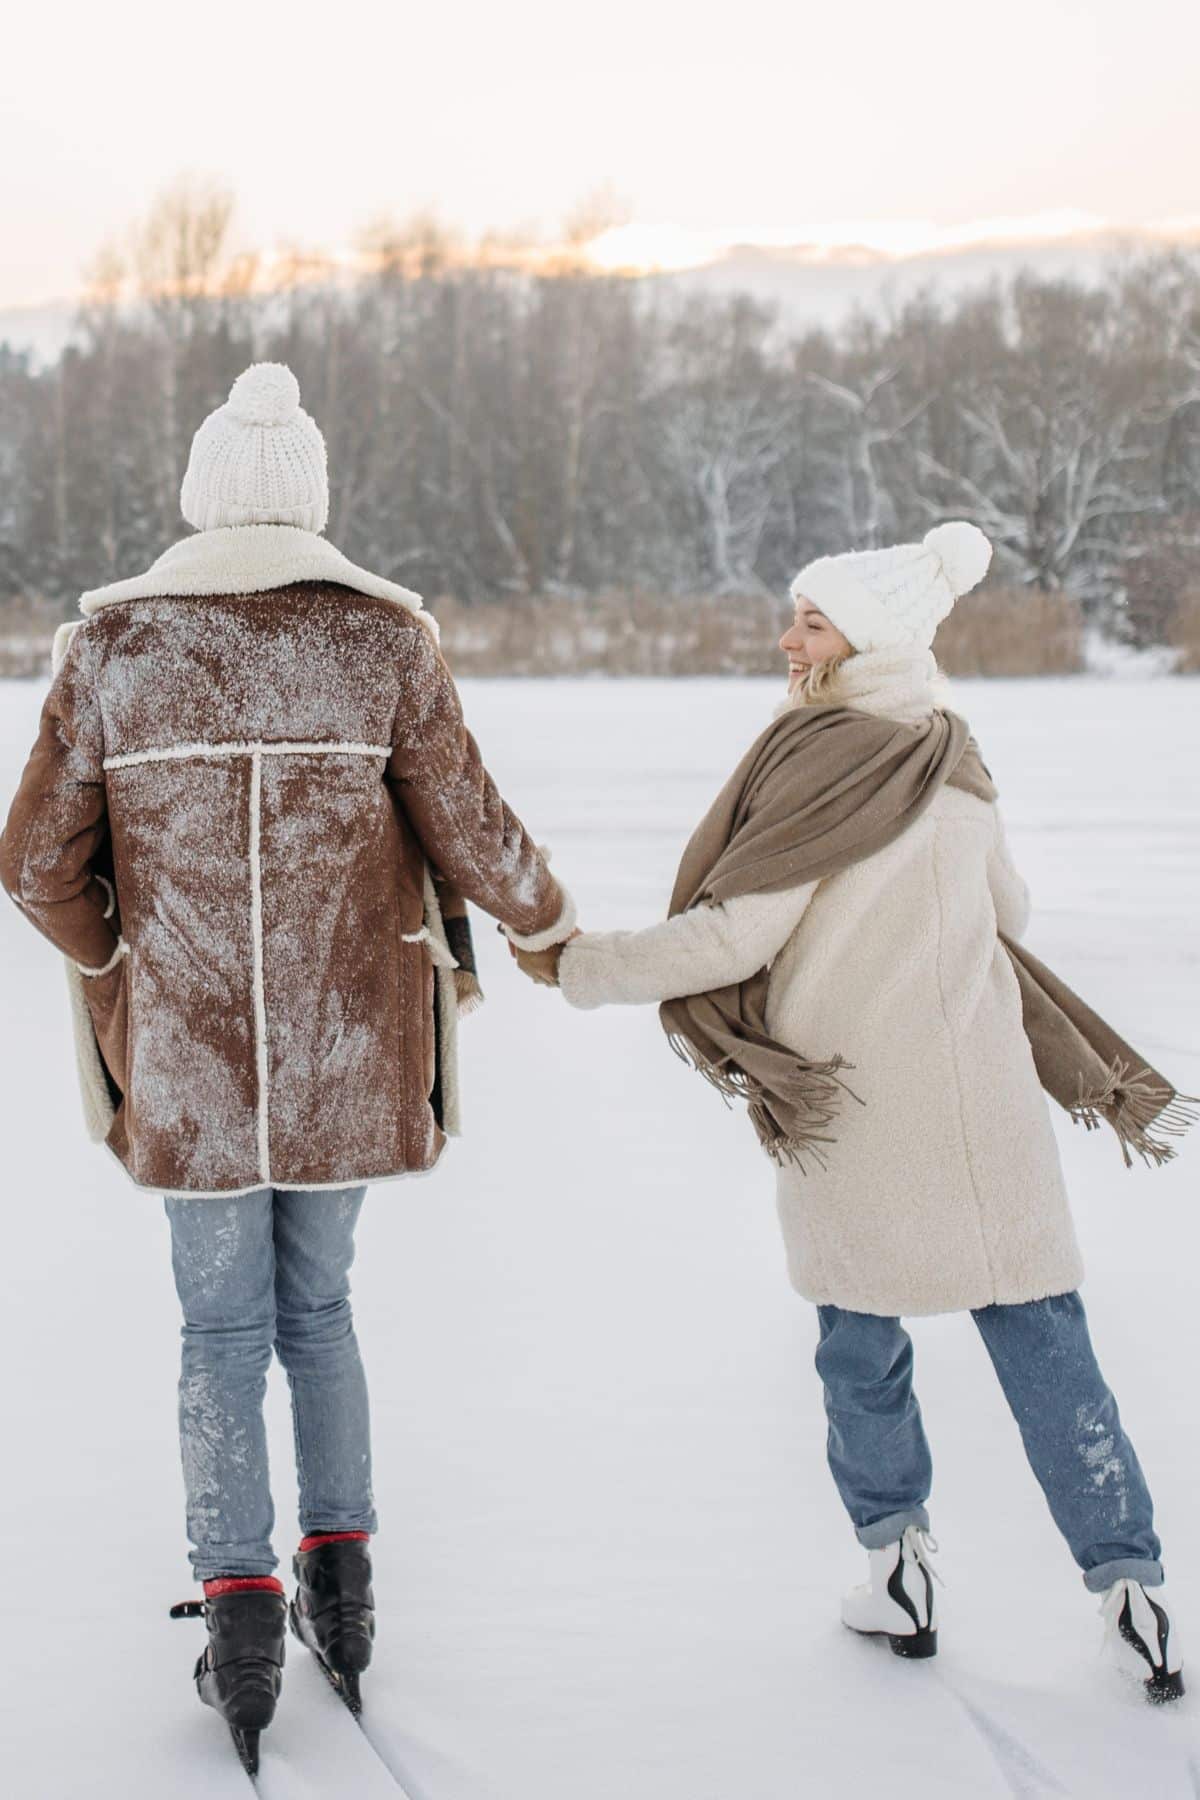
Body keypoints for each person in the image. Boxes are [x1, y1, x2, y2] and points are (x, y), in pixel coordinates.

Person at [0, 363, 577, 1771]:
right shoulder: (383, 644)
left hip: (190, 1067)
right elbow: (476, 835)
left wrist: (111, 959)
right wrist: (550, 925)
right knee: (317, 1315)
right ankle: (344, 1584)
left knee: (217, 1333)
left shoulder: (116, 650)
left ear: (202, 498)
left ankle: (242, 1608)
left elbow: (31, 863)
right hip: (349, 1053)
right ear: (310, 499)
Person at [513, 520, 1191, 1704]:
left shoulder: (820, 760)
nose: (789, 638)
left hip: (859, 1107)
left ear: (864, 635)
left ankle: (898, 1568)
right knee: (1047, 1344)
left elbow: (734, 936)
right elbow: (1010, 914)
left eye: (812, 620)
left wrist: (580, 964)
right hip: (984, 1104)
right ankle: (1133, 1588)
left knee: (861, 1347)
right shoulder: (951, 754)